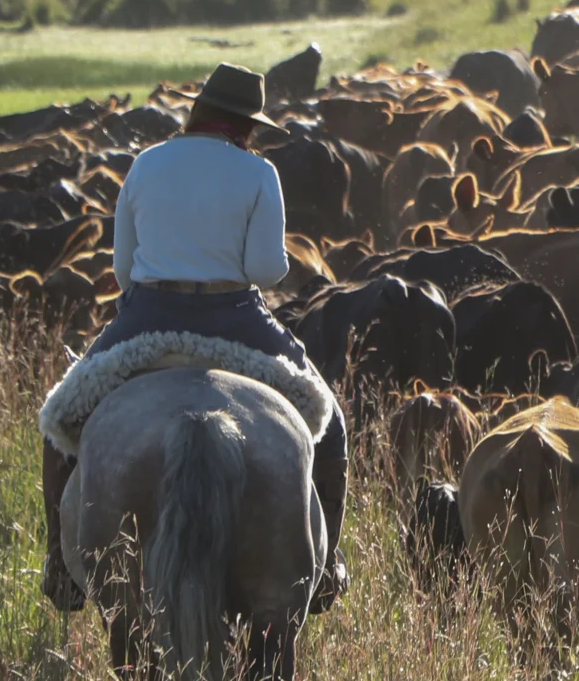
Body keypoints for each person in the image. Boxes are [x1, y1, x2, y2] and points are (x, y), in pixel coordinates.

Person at [40, 63, 350, 612]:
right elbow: (266, 270)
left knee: (60, 415)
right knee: (328, 420)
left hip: (148, 319)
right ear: (247, 125)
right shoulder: (258, 173)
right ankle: (329, 569)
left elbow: (124, 270)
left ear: (198, 110)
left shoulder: (146, 163)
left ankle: (59, 565)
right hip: (236, 319)